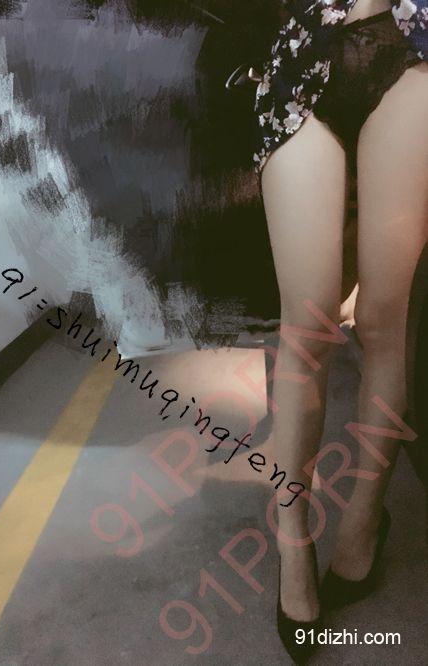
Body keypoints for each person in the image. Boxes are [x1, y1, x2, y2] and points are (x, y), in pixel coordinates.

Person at [247, 0, 428, 662]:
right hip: (299, 44)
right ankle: (291, 538)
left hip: (413, 41)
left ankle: (363, 523)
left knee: (386, 319)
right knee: (307, 323)